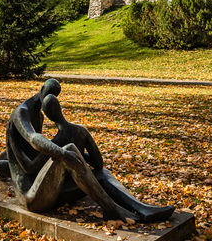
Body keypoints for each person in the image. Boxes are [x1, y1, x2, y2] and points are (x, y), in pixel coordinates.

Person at [42, 94, 174, 223]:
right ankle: (139, 208)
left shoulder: (54, 143)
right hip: (80, 187)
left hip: (70, 190)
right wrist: (82, 156)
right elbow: (98, 163)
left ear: (48, 116)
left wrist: (79, 157)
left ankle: (141, 208)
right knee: (103, 174)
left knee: (103, 174)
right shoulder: (80, 131)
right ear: (60, 109)